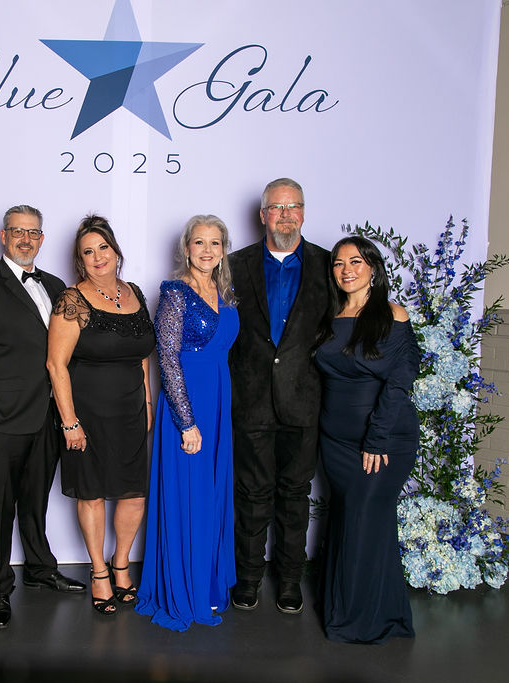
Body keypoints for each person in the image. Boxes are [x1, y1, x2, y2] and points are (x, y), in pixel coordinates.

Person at [0, 205, 85, 631]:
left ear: (42, 239)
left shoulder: (56, 285)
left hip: (48, 416)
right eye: (18, 232)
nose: (26, 239)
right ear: (4, 236)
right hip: (1, 420)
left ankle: (40, 569)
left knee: (36, 501)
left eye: (33, 233)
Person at [228, 178, 330, 614]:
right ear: (262, 215)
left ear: (303, 213)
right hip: (250, 401)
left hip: (304, 401)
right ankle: (248, 579)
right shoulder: (234, 264)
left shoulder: (328, 265)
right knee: (251, 496)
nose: (285, 215)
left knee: (294, 496)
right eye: (277, 208)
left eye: (293, 207)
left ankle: (290, 580)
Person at [47, 215, 155, 616]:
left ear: (115, 250)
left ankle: (121, 563)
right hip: (87, 414)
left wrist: (147, 402)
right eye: (88, 252)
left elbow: (142, 355)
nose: (97, 257)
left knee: (134, 494)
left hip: (131, 410)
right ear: (80, 260)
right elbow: (55, 364)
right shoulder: (72, 300)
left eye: (103, 248)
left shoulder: (135, 293)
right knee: (91, 493)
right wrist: (69, 421)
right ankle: (98, 571)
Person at [136, 215, 240, 632]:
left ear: (223, 250)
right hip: (189, 408)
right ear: (186, 248)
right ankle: (185, 591)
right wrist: (186, 422)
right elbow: (167, 358)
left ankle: (208, 586)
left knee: (211, 496)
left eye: (215, 243)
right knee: (190, 497)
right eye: (199, 242)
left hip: (218, 404)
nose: (207, 250)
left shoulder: (225, 292)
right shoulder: (175, 293)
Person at [313, 235, 419, 644]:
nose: (347, 270)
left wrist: (376, 439)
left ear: (373, 267)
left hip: (382, 438)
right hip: (335, 440)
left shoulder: (391, 314)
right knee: (349, 520)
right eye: (339, 263)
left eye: (356, 261)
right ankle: (362, 609)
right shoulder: (330, 315)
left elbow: (399, 382)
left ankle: (361, 621)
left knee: (363, 521)